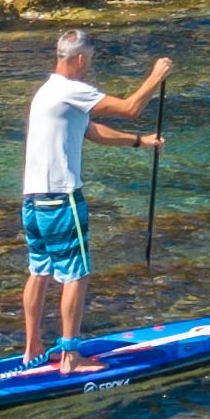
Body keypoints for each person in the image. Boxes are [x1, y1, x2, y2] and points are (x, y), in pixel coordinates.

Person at [18, 30, 171, 369]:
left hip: (32, 200)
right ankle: (71, 356)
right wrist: (155, 77)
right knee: (77, 275)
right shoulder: (73, 89)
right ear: (81, 59)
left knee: (39, 271)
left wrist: (139, 142)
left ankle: (33, 349)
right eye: (90, 61)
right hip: (62, 199)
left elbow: (91, 131)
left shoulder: (46, 93)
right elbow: (130, 107)